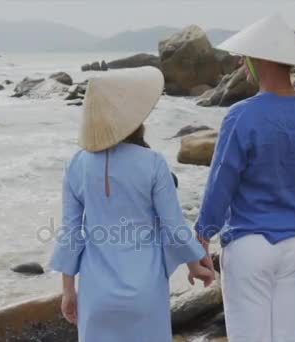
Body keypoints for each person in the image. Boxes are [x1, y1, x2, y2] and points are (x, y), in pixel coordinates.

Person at [194, 14, 295, 342]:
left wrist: (201, 237)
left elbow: (221, 184)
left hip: (249, 247)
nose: (243, 64)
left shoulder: (241, 116)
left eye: (246, 57)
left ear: (262, 60)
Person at [50, 66, 215, 342]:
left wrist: (68, 290)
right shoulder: (153, 163)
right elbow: (173, 227)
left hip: (96, 294)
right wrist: (194, 264)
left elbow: (69, 233)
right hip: (145, 293)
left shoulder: (76, 165)